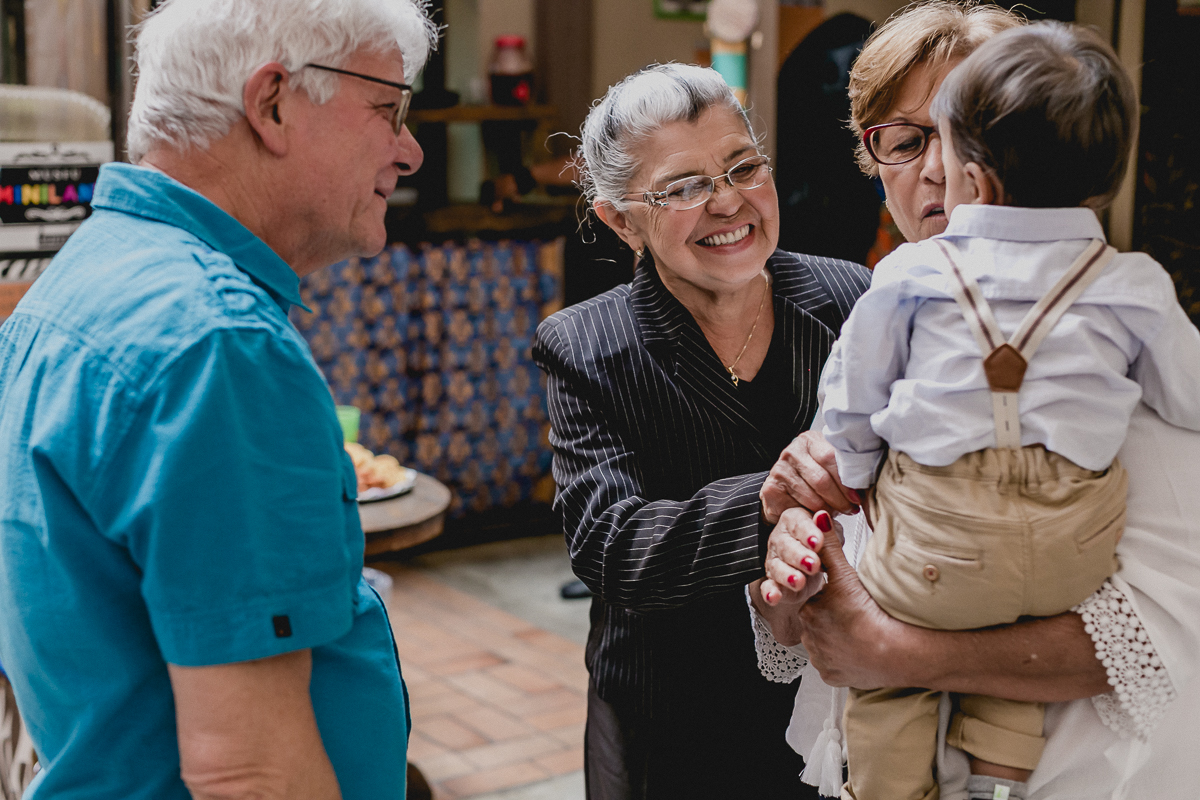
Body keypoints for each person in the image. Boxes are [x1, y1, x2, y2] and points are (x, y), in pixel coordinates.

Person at [750, 2, 1200, 798]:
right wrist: (793, 570)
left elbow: (1167, 638)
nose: (933, 167)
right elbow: (810, 634)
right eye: (903, 138)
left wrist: (893, 655)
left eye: (961, 131)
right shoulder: (887, 331)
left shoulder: (1119, 353)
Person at [0, 1, 435, 798]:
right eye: (388, 108)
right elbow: (250, 771)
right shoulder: (218, 345)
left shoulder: (79, 278)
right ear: (272, 103)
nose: (407, 150)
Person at [531, 63, 870, 798]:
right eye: (683, 186)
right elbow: (611, 543)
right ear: (622, 220)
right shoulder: (587, 345)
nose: (728, 202)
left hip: (843, 698)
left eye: (743, 166)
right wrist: (770, 500)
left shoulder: (853, 300)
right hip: (674, 712)